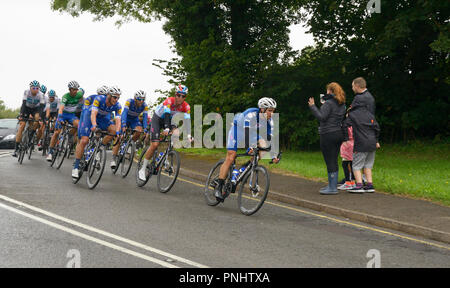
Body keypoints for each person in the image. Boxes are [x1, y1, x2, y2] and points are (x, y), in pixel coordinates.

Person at [214, 97, 280, 201]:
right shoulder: (251, 114)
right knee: (231, 157)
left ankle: (241, 170)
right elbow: (246, 133)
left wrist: (274, 155)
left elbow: (270, 140)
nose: (271, 114)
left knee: (262, 149)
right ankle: (219, 186)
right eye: (270, 111)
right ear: (262, 109)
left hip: (250, 133)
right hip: (237, 130)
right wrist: (251, 146)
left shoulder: (270, 122)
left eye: (273, 111)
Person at [138, 84, 191, 182]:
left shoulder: (186, 106)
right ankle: (142, 169)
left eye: (183, 96)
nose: (180, 98)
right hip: (158, 119)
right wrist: (166, 128)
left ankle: (166, 155)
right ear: (175, 95)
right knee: (155, 144)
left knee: (176, 132)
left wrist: (188, 135)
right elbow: (166, 114)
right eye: (179, 95)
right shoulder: (169, 101)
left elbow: (187, 121)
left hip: (171, 120)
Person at [72, 86, 122, 179]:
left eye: (118, 97)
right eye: (115, 97)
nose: (116, 99)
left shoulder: (118, 105)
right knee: (84, 140)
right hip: (89, 115)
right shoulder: (99, 99)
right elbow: (93, 113)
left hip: (102, 118)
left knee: (114, 130)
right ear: (109, 96)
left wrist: (118, 132)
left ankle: (100, 146)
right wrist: (94, 125)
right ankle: (76, 167)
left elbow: (118, 119)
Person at [308, 82, 346, 195]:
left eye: (327, 91)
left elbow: (321, 117)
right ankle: (332, 185)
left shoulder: (328, 103)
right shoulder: (342, 104)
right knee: (334, 159)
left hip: (327, 134)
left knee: (329, 160)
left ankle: (332, 188)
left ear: (330, 91)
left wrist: (313, 106)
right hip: (338, 133)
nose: (326, 92)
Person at [345, 77, 380, 193]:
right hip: (371, 136)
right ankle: (369, 184)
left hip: (361, 136)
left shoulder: (358, 99)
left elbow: (347, 120)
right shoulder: (370, 98)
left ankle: (359, 185)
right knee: (368, 164)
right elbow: (376, 127)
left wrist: (347, 115)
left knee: (356, 164)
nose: (352, 88)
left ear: (357, 86)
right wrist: (376, 140)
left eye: (353, 86)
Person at [111, 90, 149, 170]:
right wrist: (124, 124)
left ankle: (129, 145)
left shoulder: (145, 105)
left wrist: (145, 128)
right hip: (125, 118)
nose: (141, 101)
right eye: (139, 99)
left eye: (143, 99)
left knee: (139, 131)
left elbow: (145, 117)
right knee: (119, 137)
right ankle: (113, 159)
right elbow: (124, 112)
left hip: (134, 120)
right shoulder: (129, 101)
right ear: (135, 98)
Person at [47, 81, 84, 162]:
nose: (75, 91)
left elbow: (83, 101)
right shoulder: (65, 96)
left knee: (79, 125)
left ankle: (70, 135)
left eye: (76, 90)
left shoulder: (79, 95)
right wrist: (59, 117)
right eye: (73, 90)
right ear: (70, 89)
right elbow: (61, 108)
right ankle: (50, 152)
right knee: (57, 132)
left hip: (71, 116)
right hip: (63, 115)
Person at [13, 80, 45, 157]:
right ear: (30, 88)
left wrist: (40, 118)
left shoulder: (41, 95)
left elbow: (41, 107)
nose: (35, 90)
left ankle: (32, 133)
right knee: (22, 126)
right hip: (26, 108)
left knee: (37, 118)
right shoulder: (26, 92)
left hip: (35, 109)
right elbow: (23, 104)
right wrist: (21, 115)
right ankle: (16, 149)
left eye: (37, 88)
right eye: (33, 88)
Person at [338, 126, 355, 190]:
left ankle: (348, 182)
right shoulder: (354, 122)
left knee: (345, 164)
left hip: (346, 144)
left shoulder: (344, 124)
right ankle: (353, 182)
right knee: (352, 164)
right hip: (354, 143)